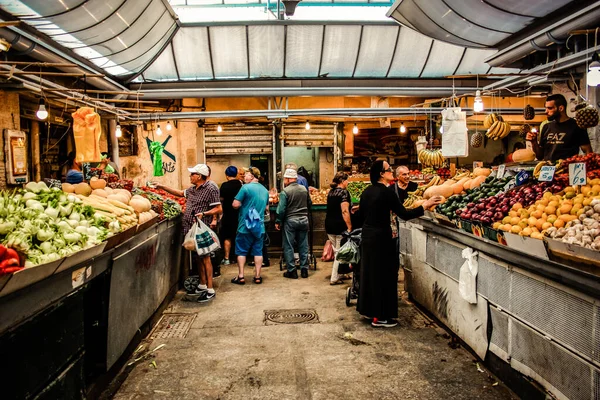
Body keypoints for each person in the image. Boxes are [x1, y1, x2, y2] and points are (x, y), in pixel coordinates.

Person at [357, 160, 442, 328]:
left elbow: (361, 214)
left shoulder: (367, 192)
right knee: (385, 276)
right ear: (382, 174)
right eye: (389, 169)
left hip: (368, 238)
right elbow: (404, 214)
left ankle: (370, 311)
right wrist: (424, 206)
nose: (392, 172)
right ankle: (381, 317)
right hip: (382, 240)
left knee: (371, 275)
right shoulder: (387, 193)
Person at [155, 164, 222, 303]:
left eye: (192, 174)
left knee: (205, 257)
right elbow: (180, 193)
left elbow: (218, 208)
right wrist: (162, 187)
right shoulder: (193, 189)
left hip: (201, 228)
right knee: (198, 257)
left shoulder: (211, 187)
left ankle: (210, 289)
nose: (190, 176)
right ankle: (202, 284)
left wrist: (205, 213)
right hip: (191, 228)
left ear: (199, 176)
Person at [526, 94, 593, 162]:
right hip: (547, 170)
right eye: (546, 108)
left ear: (561, 108)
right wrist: (533, 142)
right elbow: (540, 156)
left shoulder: (577, 125)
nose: (546, 111)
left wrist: (588, 168)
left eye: (550, 108)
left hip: (567, 169)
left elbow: (588, 151)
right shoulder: (546, 127)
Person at [231, 167, 269, 285]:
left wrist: (242, 204)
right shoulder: (265, 190)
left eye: (246, 174)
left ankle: (241, 276)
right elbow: (266, 208)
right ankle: (257, 276)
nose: (244, 176)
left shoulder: (245, 188)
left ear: (252, 176)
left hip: (245, 226)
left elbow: (235, 204)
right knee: (258, 252)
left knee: (241, 251)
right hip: (259, 227)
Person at [276, 168, 310, 279]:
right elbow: (309, 203)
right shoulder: (304, 189)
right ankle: (304, 269)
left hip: (290, 221)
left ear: (288, 179)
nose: (284, 181)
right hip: (304, 220)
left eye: (284, 179)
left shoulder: (285, 192)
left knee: (289, 246)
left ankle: (292, 270)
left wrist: (278, 221)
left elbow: (281, 210)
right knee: (303, 245)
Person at [325, 172, 352, 285]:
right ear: (342, 181)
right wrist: (349, 226)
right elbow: (344, 211)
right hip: (339, 226)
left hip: (329, 225)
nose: (348, 182)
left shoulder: (331, 193)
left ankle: (342, 273)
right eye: (347, 180)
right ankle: (334, 277)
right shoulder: (344, 193)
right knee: (339, 252)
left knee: (338, 250)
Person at [219, 166, 242, 266]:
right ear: (236, 174)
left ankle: (227, 258)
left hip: (227, 214)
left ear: (226, 175)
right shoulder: (241, 185)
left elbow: (220, 199)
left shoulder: (224, 186)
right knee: (238, 236)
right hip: (239, 214)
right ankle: (238, 257)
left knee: (227, 237)